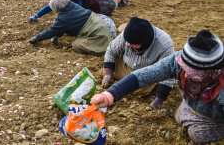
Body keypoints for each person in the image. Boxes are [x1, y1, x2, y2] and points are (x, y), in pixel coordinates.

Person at [91, 29, 224, 145]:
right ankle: (190, 108)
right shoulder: (181, 60)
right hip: (194, 104)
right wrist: (110, 95)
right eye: (185, 68)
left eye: (194, 73)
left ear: (212, 72)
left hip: (216, 117)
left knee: (197, 135)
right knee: (178, 118)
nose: (187, 75)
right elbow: (146, 74)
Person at [100, 17, 175, 109]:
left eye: (133, 43)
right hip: (124, 66)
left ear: (145, 42)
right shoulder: (128, 34)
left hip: (147, 75)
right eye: (128, 41)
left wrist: (159, 100)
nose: (128, 44)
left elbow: (168, 71)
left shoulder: (164, 44)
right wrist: (108, 74)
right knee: (104, 72)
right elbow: (112, 50)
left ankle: (121, 83)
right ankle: (119, 81)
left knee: (142, 90)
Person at [29, 0, 112, 54]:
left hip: (100, 36)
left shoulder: (65, 17)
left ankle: (98, 47)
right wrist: (56, 35)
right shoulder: (73, 5)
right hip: (101, 26)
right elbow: (62, 27)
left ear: (57, 8)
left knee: (76, 44)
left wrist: (37, 38)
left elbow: (52, 30)